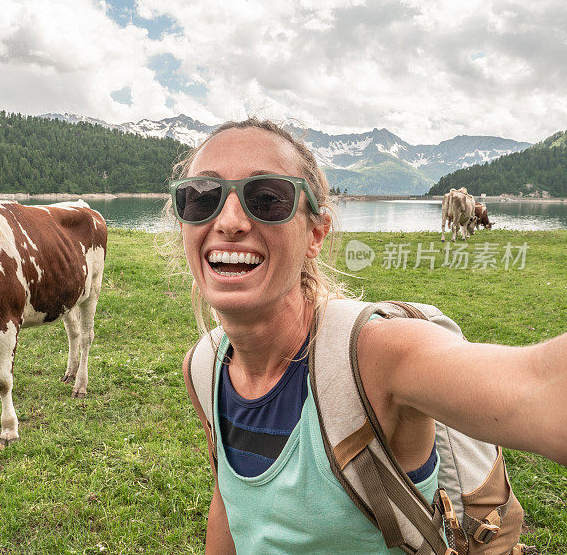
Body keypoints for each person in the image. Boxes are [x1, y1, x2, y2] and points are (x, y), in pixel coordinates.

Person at [169, 118, 567, 554]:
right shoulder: (204, 367)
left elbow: (538, 388)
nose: (229, 221)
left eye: (266, 199)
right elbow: (229, 505)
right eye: (201, 198)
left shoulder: (377, 357)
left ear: (315, 235)